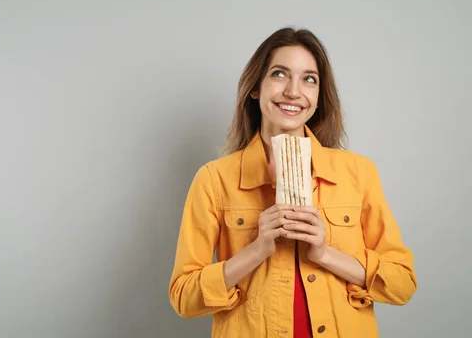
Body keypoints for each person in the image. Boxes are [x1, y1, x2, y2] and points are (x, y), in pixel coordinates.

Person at [168, 27, 417, 337]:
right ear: (255, 88)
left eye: (309, 79)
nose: (293, 91)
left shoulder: (358, 173)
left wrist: (324, 253)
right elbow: (183, 297)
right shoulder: (214, 180)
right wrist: (256, 250)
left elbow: (402, 284)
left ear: (318, 98)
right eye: (279, 74)